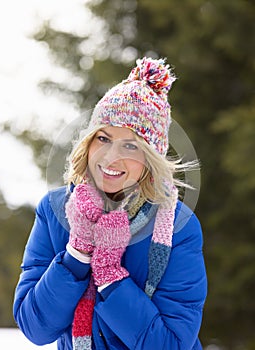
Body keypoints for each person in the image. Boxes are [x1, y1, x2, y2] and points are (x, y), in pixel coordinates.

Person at [13, 57, 207, 350]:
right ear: (89, 142)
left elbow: (171, 344)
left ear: (149, 159)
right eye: (103, 138)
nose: (110, 157)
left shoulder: (178, 227)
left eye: (130, 145)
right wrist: (76, 254)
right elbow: (35, 328)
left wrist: (110, 277)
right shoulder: (54, 211)